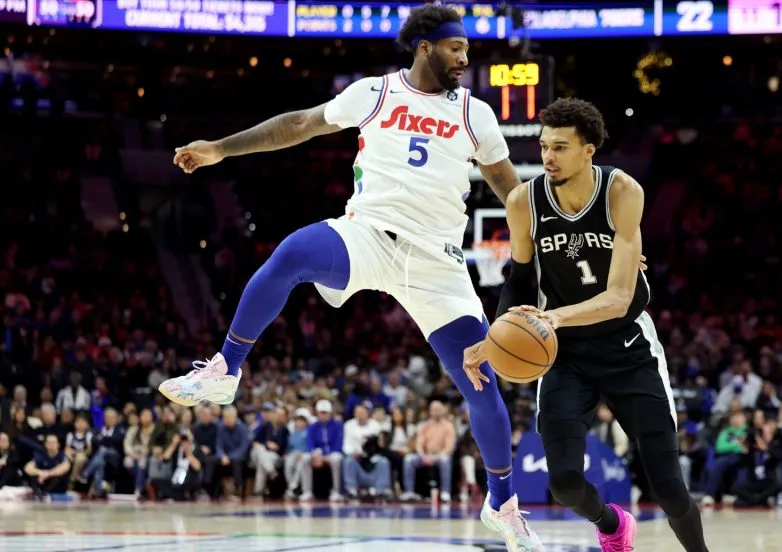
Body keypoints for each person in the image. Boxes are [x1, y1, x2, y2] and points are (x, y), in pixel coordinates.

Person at [156, 5, 540, 547]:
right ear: (425, 47)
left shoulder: (475, 113)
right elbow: (298, 125)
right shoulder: (374, 93)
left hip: (438, 261)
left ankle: (502, 503)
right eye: (456, 48)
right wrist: (220, 148)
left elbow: (511, 191)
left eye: (467, 51)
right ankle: (225, 369)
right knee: (291, 254)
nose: (464, 58)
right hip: (368, 234)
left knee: (481, 384)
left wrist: (555, 238)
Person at [464, 98, 710, 552]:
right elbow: (519, 280)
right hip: (565, 355)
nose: (548, 156)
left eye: (560, 147)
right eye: (544, 146)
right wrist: (495, 337)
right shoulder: (523, 201)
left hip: (628, 346)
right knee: (563, 484)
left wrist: (555, 316)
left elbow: (618, 298)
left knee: (670, 490)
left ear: (588, 150)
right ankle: (612, 524)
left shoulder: (622, 191)